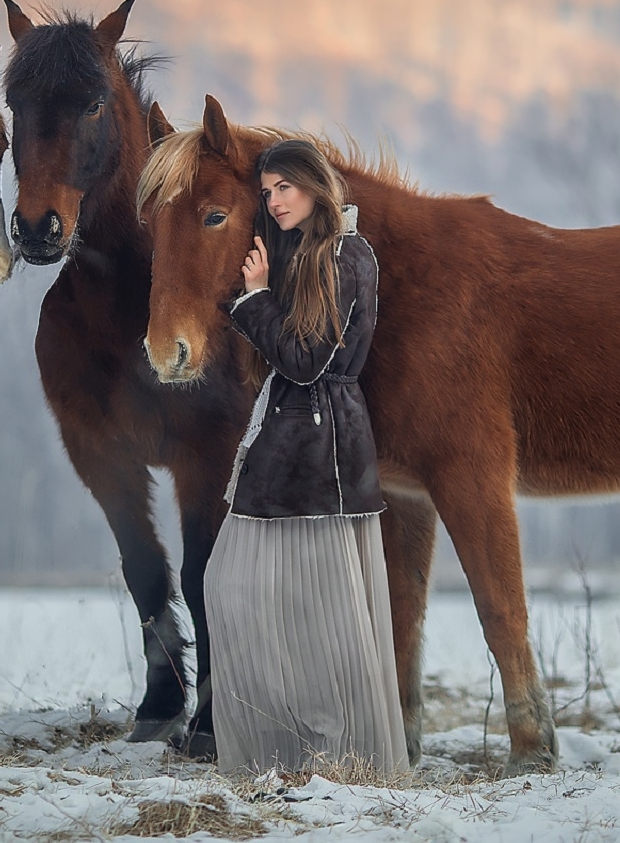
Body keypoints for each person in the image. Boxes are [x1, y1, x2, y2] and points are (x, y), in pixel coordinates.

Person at [204, 137, 409, 776]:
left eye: (283, 188)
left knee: (323, 614)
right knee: (238, 591)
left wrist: (254, 300)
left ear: (314, 184)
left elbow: (307, 359)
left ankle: (331, 753)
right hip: (301, 441)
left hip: (321, 449)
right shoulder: (311, 253)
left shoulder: (347, 252)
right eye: (266, 193)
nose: (274, 201)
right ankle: (294, 749)